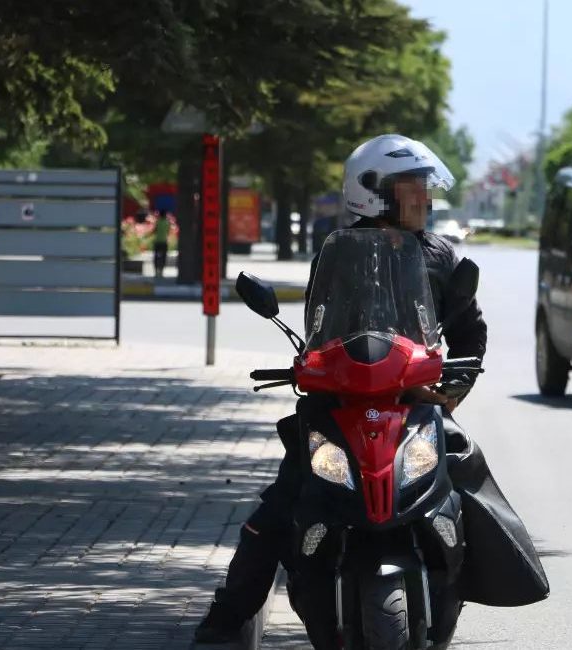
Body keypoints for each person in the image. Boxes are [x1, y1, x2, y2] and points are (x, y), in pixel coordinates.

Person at [194, 134, 489, 643]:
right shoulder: (335, 255)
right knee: (279, 508)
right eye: (411, 186)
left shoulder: (439, 256)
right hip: (339, 408)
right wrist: (306, 364)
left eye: (424, 185)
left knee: (472, 491)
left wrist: (454, 387)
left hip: (412, 410)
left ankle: (466, 582)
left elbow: (470, 330)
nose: (424, 197)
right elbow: (318, 329)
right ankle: (229, 614)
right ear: (372, 191)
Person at [151, 209, 170, 278]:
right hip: (164, 242)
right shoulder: (167, 222)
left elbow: (155, 231)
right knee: (164, 257)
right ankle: (161, 271)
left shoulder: (157, 222)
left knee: (156, 257)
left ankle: (156, 272)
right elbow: (168, 231)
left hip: (157, 241)